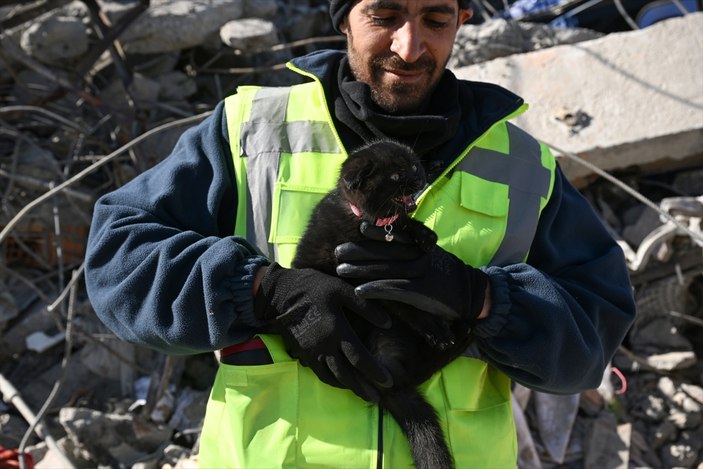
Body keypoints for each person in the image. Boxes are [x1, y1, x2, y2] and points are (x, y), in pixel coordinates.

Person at [84, 0, 636, 467]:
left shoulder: (522, 165)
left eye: (436, 20)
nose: (409, 46)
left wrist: (485, 298)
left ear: (464, 19)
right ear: (343, 17)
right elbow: (119, 260)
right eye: (385, 15)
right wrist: (263, 290)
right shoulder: (251, 130)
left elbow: (594, 334)